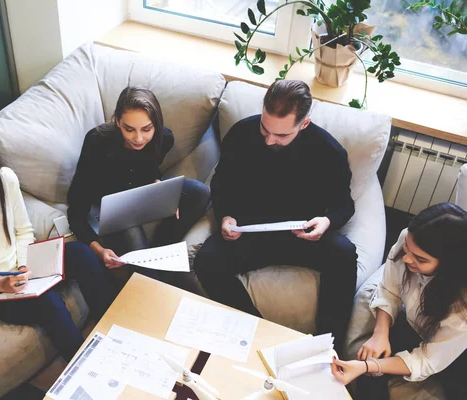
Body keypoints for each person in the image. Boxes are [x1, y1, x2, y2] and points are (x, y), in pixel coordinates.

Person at [193, 80, 357, 352]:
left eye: (281, 136)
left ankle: (327, 350)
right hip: (250, 234)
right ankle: (259, 337)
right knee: (207, 260)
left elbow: (344, 205)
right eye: (265, 129)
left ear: (304, 124)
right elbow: (220, 184)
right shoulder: (242, 133)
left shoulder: (329, 152)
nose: (269, 140)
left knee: (344, 253)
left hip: (300, 238)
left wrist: (326, 222)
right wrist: (226, 217)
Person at [0, 132, 115, 364]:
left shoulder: (5, 180)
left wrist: (25, 263)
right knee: (48, 301)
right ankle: (85, 366)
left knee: (81, 254)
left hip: (24, 266)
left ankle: (115, 328)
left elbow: (23, 231)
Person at [67, 85, 210, 282]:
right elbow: (75, 210)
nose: (139, 138)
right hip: (110, 208)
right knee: (133, 234)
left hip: (140, 196)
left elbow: (147, 169)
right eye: (129, 129)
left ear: (156, 125)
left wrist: (160, 188)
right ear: (117, 121)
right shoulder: (96, 142)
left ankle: (160, 247)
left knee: (199, 192)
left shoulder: (164, 138)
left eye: (146, 129)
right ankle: (151, 284)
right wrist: (98, 250)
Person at [331, 203, 467, 400]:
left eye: (420, 259)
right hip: (418, 328)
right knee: (369, 365)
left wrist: (368, 366)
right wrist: (380, 333)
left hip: (457, 356)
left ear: (449, 265)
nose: (407, 259)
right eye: (407, 249)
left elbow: (428, 360)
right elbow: (389, 288)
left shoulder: (461, 305)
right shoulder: (409, 239)